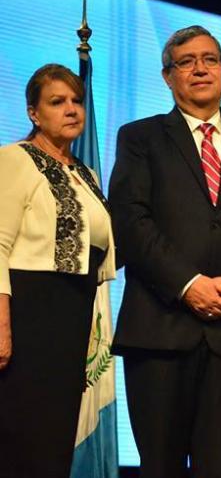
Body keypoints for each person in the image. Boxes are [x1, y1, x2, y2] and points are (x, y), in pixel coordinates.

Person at [109, 25, 221, 478]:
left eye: (210, 59)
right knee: (161, 466)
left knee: (220, 466)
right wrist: (188, 285)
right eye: (187, 61)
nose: (200, 69)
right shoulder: (140, 138)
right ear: (168, 76)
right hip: (159, 331)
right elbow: (131, 221)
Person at [0, 64, 117, 477]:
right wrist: (2, 324)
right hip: (29, 311)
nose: (71, 109)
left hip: (72, 316)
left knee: (54, 439)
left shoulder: (83, 174)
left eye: (77, 101)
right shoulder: (15, 159)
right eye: (57, 102)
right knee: (21, 437)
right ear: (34, 112)